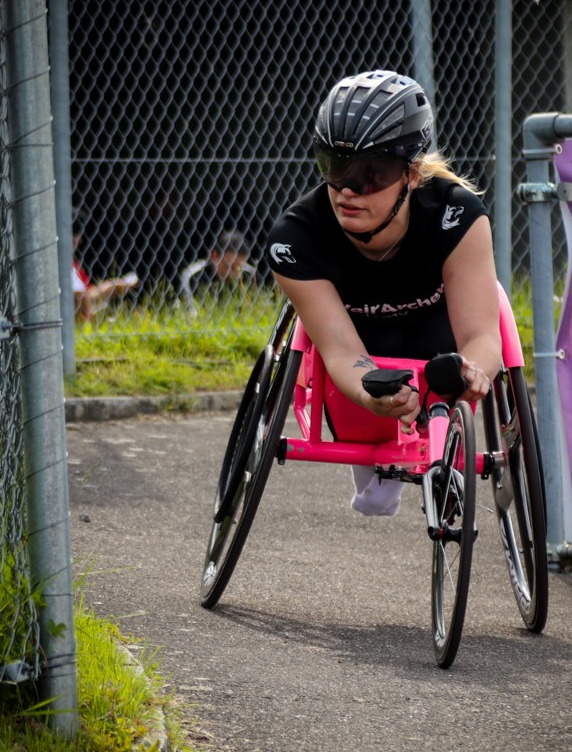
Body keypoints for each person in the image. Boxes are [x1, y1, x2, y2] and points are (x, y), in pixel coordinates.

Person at [265, 69, 501, 516]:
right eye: (335, 167)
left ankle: (440, 448)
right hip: (363, 364)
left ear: (412, 174)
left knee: (452, 367)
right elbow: (338, 351)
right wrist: (376, 398)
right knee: (372, 479)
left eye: (371, 174)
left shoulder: (458, 215)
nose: (348, 191)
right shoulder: (295, 239)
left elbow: (484, 337)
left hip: (441, 347)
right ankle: (379, 459)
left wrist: (475, 373)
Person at [72, 225, 139, 322]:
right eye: (75, 237)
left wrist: (113, 285)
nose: (80, 241)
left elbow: (86, 294)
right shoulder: (65, 266)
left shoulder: (73, 264)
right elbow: (81, 297)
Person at [178, 229, 258, 306]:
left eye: (239, 268)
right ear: (214, 256)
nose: (235, 274)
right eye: (229, 267)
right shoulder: (192, 276)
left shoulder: (250, 275)